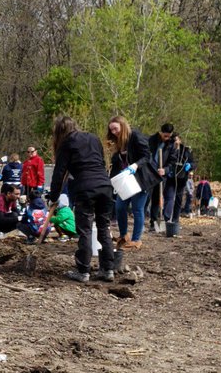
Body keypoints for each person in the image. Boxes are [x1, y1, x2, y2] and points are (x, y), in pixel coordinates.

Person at [48, 116, 115, 282]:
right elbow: (101, 162)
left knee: (84, 229)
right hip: (105, 186)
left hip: (85, 188)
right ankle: (108, 270)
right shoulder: (93, 138)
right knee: (103, 227)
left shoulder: (66, 143)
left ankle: (83, 271)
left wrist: (53, 197)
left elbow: (59, 172)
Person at [107, 115, 155, 250]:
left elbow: (147, 156)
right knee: (120, 207)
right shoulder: (118, 142)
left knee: (137, 209)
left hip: (141, 178)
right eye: (111, 130)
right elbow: (116, 164)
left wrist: (135, 166)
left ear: (122, 125)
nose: (113, 132)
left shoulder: (135, 136)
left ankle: (136, 240)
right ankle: (123, 236)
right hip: (125, 180)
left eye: (115, 129)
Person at [146, 123, 177, 231]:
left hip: (161, 174)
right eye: (165, 136)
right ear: (160, 133)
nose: (167, 138)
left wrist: (165, 170)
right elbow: (146, 155)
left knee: (156, 198)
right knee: (145, 197)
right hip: (149, 172)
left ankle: (153, 222)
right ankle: (140, 219)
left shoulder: (172, 144)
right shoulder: (151, 140)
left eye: (169, 136)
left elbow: (173, 161)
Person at [169, 135, 195, 222]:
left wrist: (190, 165)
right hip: (170, 177)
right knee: (169, 197)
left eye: (176, 140)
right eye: (173, 141)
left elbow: (194, 163)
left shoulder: (186, 150)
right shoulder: (169, 149)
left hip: (182, 178)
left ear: (180, 140)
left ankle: (175, 219)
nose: (175, 142)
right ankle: (167, 217)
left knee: (178, 198)